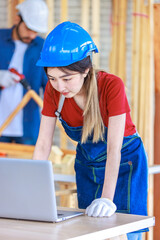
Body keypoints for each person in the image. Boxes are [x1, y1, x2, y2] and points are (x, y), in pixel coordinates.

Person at [33, 21, 148, 240]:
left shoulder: (112, 86)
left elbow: (114, 149)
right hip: (88, 165)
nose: (60, 86)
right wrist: (30, 190)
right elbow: (43, 144)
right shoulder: (54, 91)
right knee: (88, 232)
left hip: (124, 164)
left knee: (126, 232)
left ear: (85, 69)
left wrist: (107, 198)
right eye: (52, 78)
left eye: (66, 78)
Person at [0, 0, 48, 145]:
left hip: (28, 128)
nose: (32, 35)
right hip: (1, 125)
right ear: (17, 19)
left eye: (36, 31)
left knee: (29, 166)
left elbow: (51, 86)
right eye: (28, 29)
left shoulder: (42, 47)